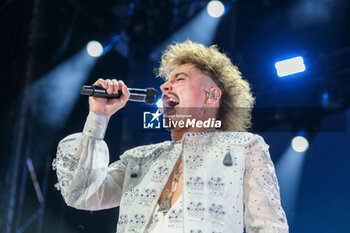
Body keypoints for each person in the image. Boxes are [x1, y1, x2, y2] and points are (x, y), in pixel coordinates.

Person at [53, 40, 289, 233]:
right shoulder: (140, 158)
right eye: (166, 81)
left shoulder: (244, 148)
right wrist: (98, 116)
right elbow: (81, 194)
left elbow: (269, 227)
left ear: (212, 94)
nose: (165, 86)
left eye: (179, 79)